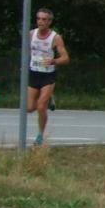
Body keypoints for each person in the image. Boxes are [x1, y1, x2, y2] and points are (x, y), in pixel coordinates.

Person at [26, 8, 69, 146]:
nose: (40, 22)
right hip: (34, 73)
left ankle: (40, 135)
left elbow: (65, 58)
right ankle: (49, 98)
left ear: (49, 22)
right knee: (29, 108)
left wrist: (53, 61)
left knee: (40, 107)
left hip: (48, 75)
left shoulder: (55, 37)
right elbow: (27, 52)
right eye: (38, 19)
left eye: (44, 19)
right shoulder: (31, 34)